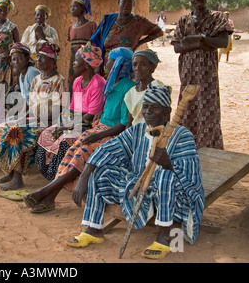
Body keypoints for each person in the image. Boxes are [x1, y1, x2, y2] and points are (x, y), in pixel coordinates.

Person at [66, 85, 205, 260]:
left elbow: (190, 176)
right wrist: (84, 176)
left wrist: (167, 163)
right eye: (145, 106)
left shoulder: (182, 136)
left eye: (153, 107)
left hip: (176, 193)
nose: (147, 112)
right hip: (139, 185)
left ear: (167, 112)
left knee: (164, 176)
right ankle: (93, 229)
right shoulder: (137, 130)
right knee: (101, 171)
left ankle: (165, 236)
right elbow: (107, 149)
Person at [24, 48, 163, 213]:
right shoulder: (115, 84)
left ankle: (46, 193)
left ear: (118, 63)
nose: (107, 64)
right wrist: (99, 117)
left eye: (110, 60)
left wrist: (100, 134)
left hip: (112, 132)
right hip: (100, 127)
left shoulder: (128, 87)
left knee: (82, 153)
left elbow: (124, 123)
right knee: (72, 153)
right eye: (135, 64)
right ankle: (50, 196)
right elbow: (108, 111)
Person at [0, 40, 67, 190]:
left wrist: (31, 119)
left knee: (16, 133)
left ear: (52, 60)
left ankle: (17, 179)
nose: (38, 60)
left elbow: (58, 111)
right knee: (4, 126)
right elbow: (32, 105)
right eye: (37, 57)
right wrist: (24, 117)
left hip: (48, 123)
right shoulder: (37, 79)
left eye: (42, 57)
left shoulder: (59, 81)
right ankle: (9, 171)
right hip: (35, 120)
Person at [172, 0, 233, 150]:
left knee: (208, 110)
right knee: (187, 108)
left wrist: (197, 39)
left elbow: (222, 41)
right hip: (188, 73)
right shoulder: (184, 21)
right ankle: (187, 148)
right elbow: (177, 47)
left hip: (207, 75)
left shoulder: (217, 18)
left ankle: (210, 148)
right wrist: (202, 42)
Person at [35, 45, 106, 183]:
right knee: (46, 133)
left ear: (86, 64)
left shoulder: (98, 84)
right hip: (76, 119)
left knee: (64, 139)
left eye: (76, 60)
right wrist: (62, 124)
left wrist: (66, 127)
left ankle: (58, 176)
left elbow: (90, 115)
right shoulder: (78, 81)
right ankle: (48, 172)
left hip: (89, 124)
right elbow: (74, 108)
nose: (73, 63)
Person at [88, 0, 163, 76]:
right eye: (123, 2)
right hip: (106, 66)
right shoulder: (108, 20)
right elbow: (94, 41)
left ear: (134, 4)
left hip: (126, 68)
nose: (126, 5)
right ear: (118, 2)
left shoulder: (139, 22)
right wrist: (96, 64)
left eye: (130, 3)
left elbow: (158, 32)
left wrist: (139, 43)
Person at [0, 0, 21, 95]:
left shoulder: (12, 27)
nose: (3, 12)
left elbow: (18, 45)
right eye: (0, 10)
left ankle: (2, 107)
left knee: (3, 86)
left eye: (5, 10)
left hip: (6, 63)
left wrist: (11, 51)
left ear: (8, 11)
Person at [67, 0, 98, 93]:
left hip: (86, 61)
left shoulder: (91, 25)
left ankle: (87, 105)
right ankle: (75, 105)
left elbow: (96, 45)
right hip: (74, 60)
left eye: (75, 6)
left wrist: (95, 64)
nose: (72, 9)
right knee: (74, 83)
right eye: (71, 7)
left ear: (83, 8)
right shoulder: (71, 27)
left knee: (87, 81)